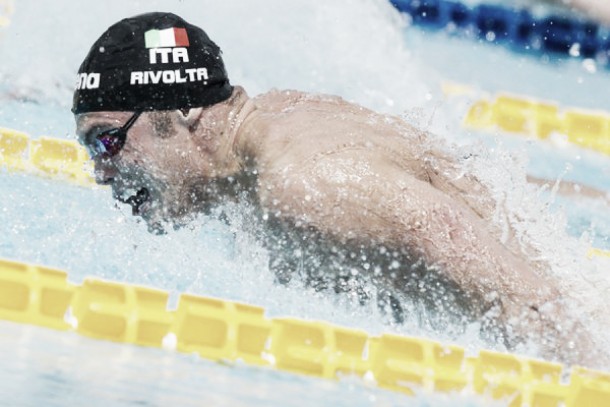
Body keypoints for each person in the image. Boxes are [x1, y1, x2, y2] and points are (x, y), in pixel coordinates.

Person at [73, 12, 606, 368]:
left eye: (108, 142)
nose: (101, 172)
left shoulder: (305, 184)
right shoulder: (269, 123)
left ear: (184, 112)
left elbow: (531, 304)